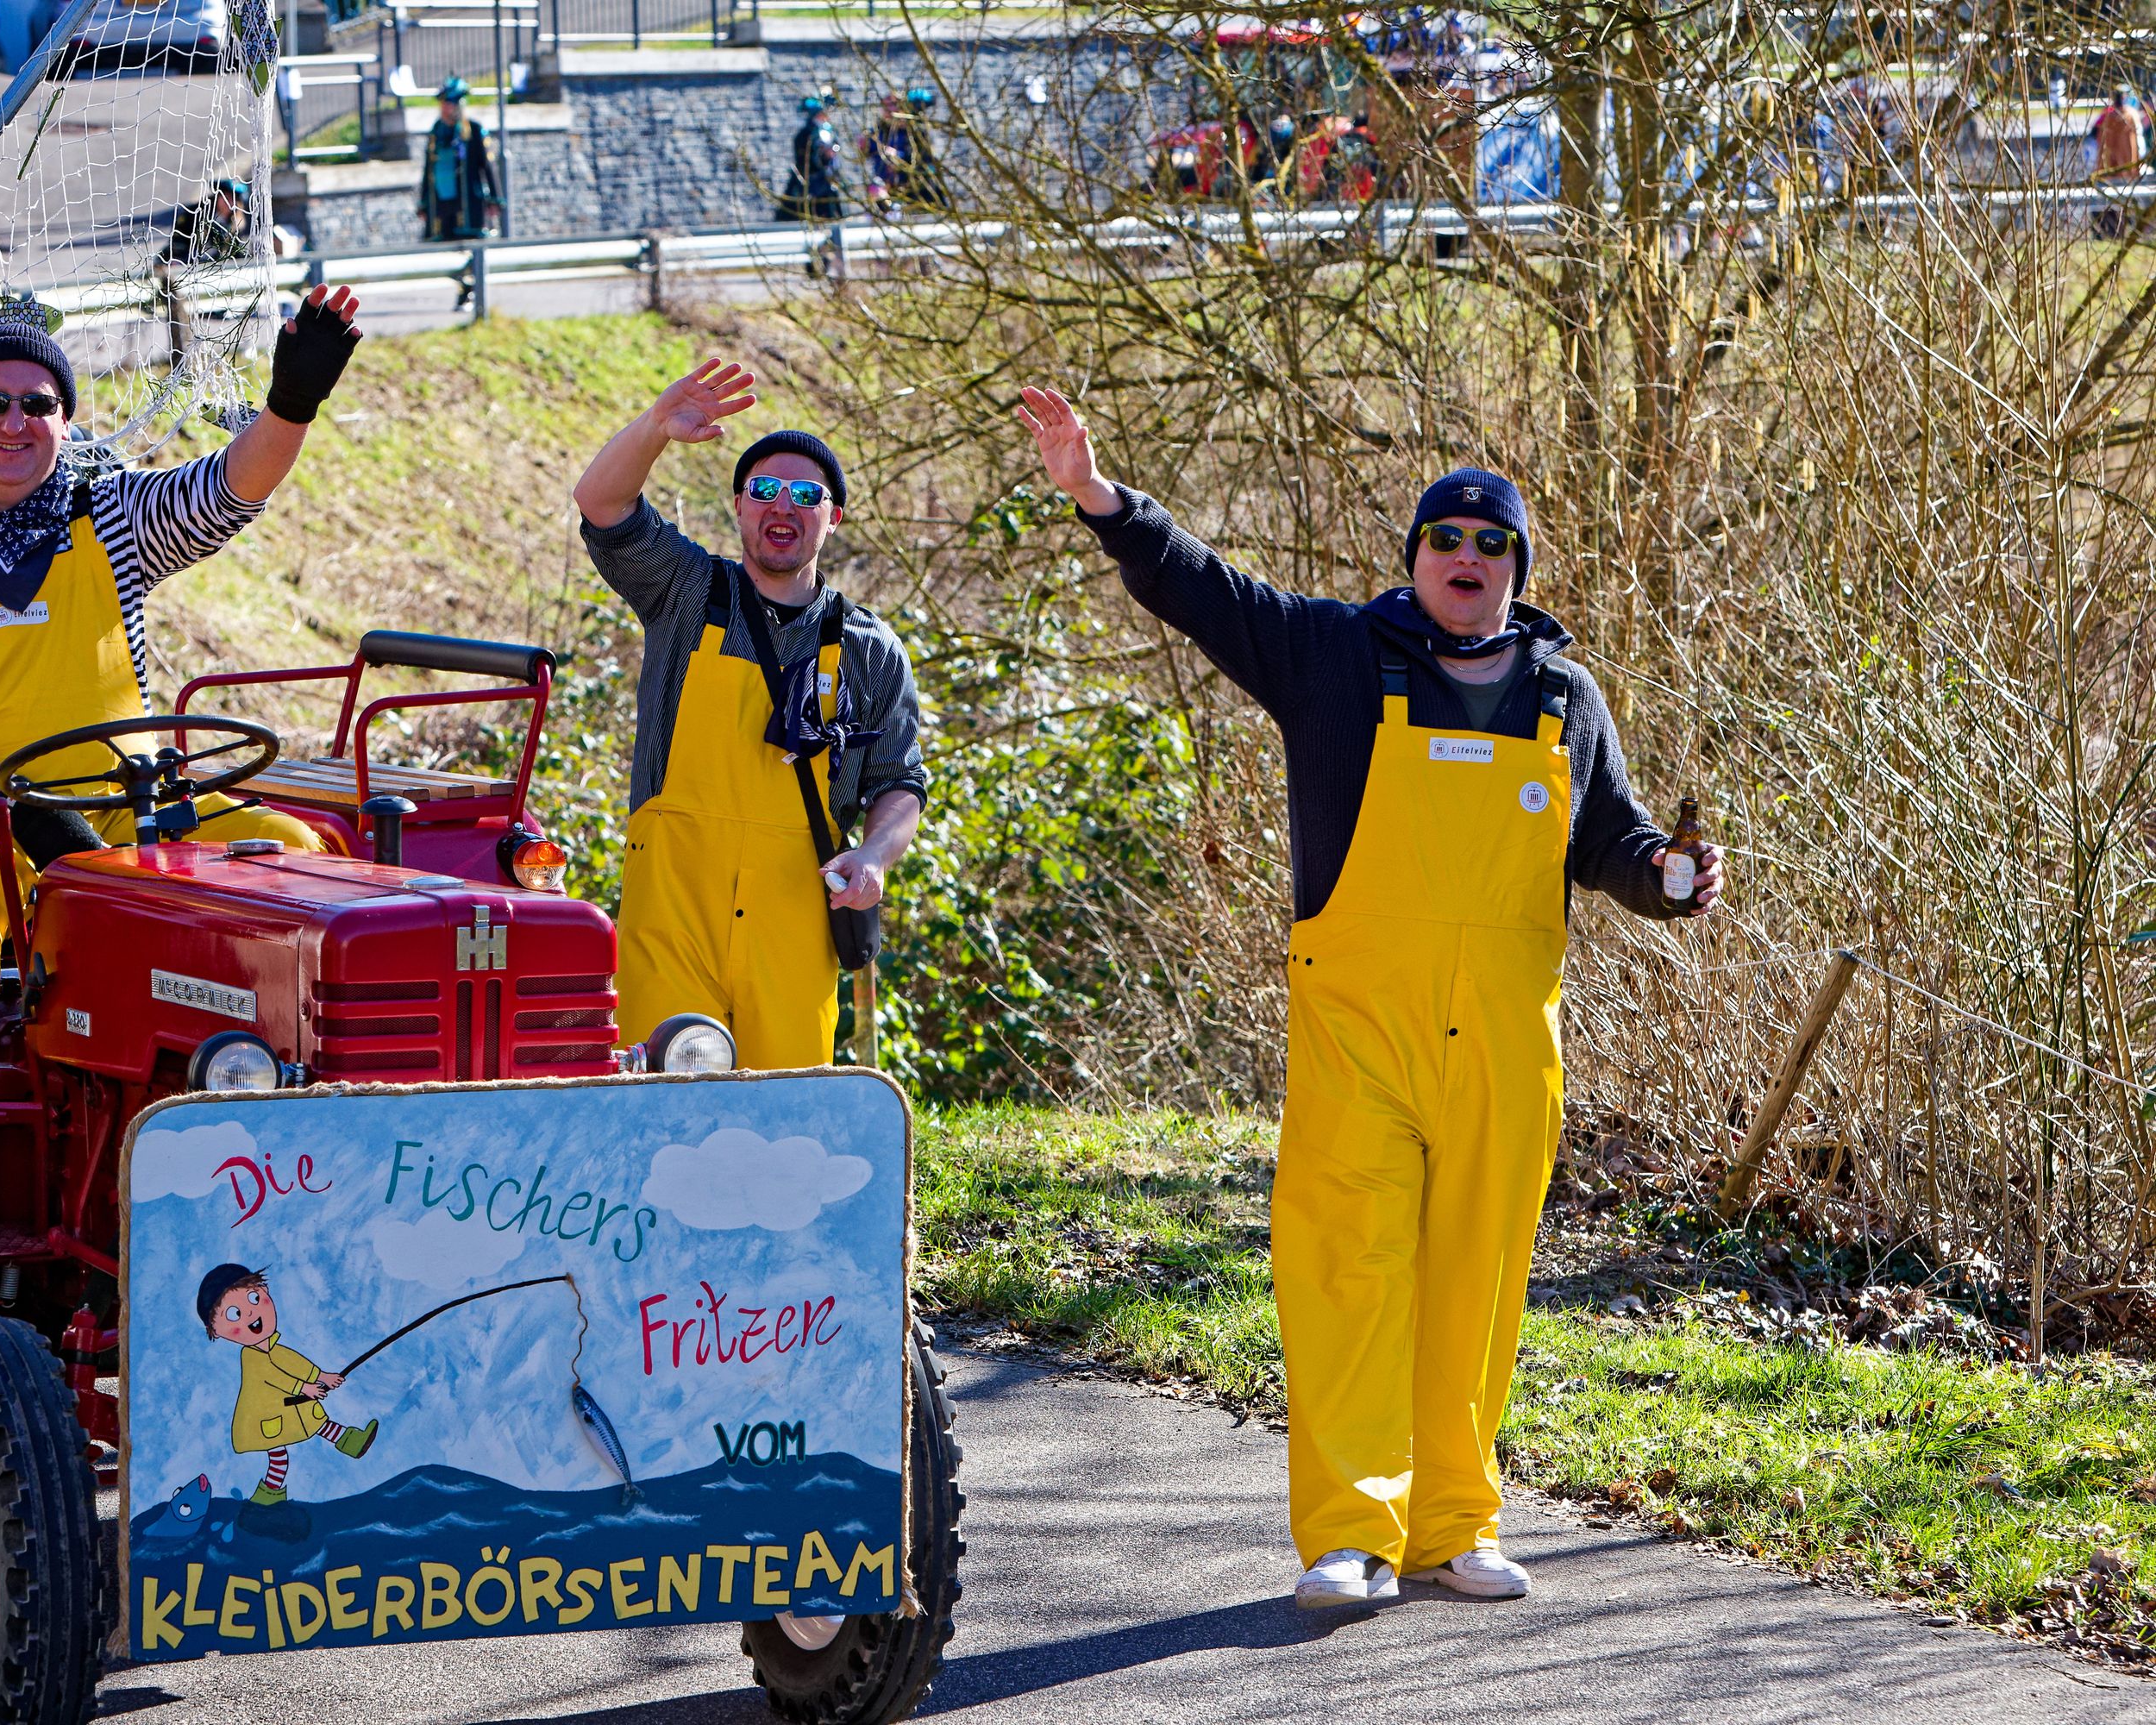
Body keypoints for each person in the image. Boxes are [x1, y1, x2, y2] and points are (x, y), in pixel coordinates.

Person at [1014, 386, 1723, 1610]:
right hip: (1360, 1036)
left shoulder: (1568, 696)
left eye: (1491, 542)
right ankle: (1351, 1533)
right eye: (1446, 538)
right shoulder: (1338, 656)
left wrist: (1670, 875)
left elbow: (1610, 837)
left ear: (1517, 569)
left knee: (1478, 1287)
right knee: (1349, 1277)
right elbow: (1204, 588)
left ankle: (1457, 1524)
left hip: (1506, 1044)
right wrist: (1099, 497)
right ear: (1415, 560)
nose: (1467, 558)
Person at [0, 288, 363, 1151]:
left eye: (37, 404)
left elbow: (227, 489)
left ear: (64, 417)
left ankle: (283, 1125)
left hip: (130, 801)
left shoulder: (110, 518)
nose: (14, 423)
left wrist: (291, 404)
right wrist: (22, 802)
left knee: (294, 854)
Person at [573, 360, 927, 1068]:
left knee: (785, 1127)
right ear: (739, 507)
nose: (782, 506)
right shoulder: (687, 590)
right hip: (672, 916)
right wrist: (654, 428)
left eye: (806, 494)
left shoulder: (872, 650)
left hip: (794, 927)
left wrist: (876, 857)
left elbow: (900, 781)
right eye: (764, 490)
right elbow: (602, 505)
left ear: (834, 517)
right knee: (658, 1104)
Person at [200, 1264, 378, 1505]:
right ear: (215, 1331)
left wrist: (322, 1376)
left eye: (254, 1298)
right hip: (267, 1417)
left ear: (266, 1291)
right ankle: (266, 1501)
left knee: (320, 1424)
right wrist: (305, 1388)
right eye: (234, 1314)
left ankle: (351, 1443)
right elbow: (273, 1376)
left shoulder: (274, 1347)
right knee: (279, 1458)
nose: (250, 1314)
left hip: (288, 1407)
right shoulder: (251, 1357)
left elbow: (295, 1364)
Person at [418, 77, 500, 242]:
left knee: (470, 241)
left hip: (466, 202)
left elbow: (488, 166)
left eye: (449, 104)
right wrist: (424, 203)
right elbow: (428, 169)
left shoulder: (474, 131)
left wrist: (495, 199)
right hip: (441, 204)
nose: (445, 108)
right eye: (443, 104)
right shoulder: (436, 132)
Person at [776, 95, 843, 223]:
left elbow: (835, 147)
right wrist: (823, 156)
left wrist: (832, 152)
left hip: (827, 179)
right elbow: (806, 159)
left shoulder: (828, 130)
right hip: (813, 181)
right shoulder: (807, 134)